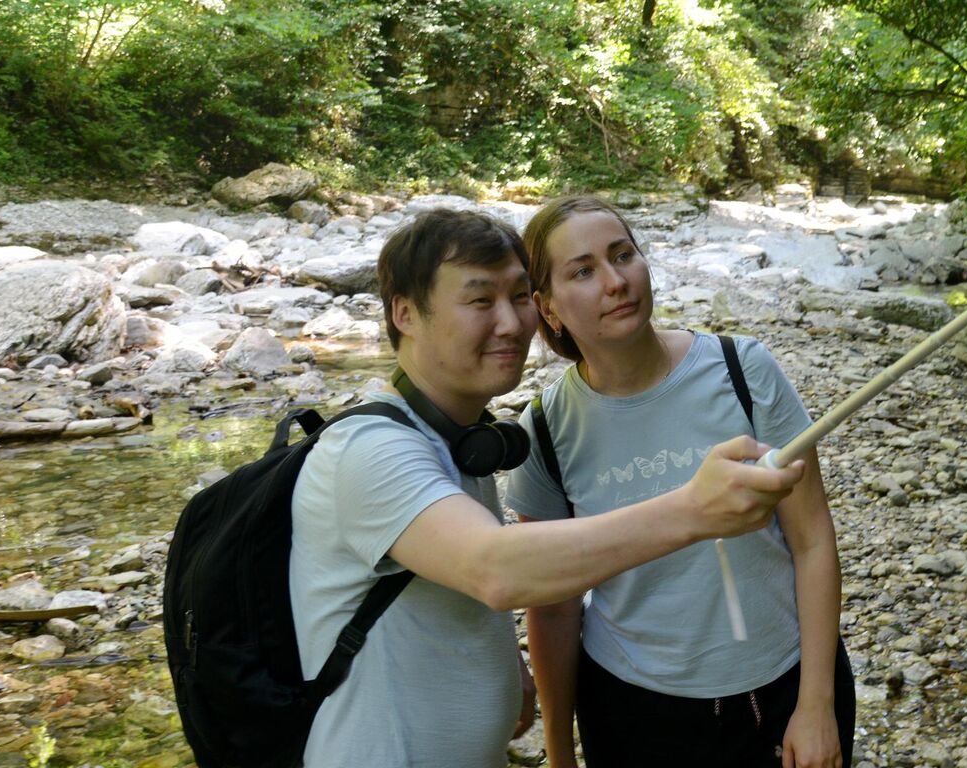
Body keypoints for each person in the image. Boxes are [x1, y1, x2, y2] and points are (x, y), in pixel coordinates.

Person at [288, 208, 806, 767]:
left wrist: (502, 663)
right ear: (406, 314)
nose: (511, 324)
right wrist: (695, 509)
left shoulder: (462, 446)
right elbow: (497, 569)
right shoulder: (368, 450)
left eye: (518, 297)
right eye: (481, 301)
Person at [509, 196, 855, 768]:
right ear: (547, 308)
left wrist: (816, 704)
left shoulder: (743, 370)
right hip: (633, 712)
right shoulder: (545, 430)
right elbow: (554, 608)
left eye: (624, 255)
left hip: (782, 686)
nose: (616, 282)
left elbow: (813, 540)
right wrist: (560, 750)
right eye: (583, 271)